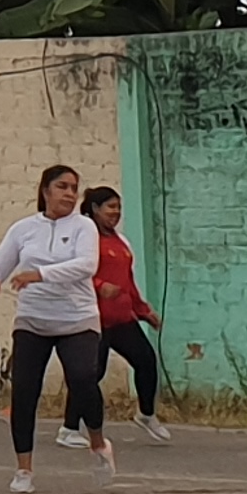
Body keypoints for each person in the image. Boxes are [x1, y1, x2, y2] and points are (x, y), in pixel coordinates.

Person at [0, 165, 112, 490]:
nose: (69, 193)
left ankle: (98, 443)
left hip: (76, 318)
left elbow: (86, 265)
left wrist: (39, 274)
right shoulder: (24, 228)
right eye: (62, 186)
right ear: (45, 191)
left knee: (83, 378)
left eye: (73, 188)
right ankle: (24, 469)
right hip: (33, 319)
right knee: (24, 391)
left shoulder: (84, 226)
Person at [78, 184, 168, 444]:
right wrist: (100, 286)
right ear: (95, 209)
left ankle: (146, 414)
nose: (116, 212)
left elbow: (127, 281)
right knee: (91, 373)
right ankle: (69, 427)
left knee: (146, 360)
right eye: (110, 207)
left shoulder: (120, 241)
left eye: (118, 207)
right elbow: (77, 274)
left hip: (121, 318)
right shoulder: (86, 240)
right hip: (95, 319)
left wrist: (143, 310)